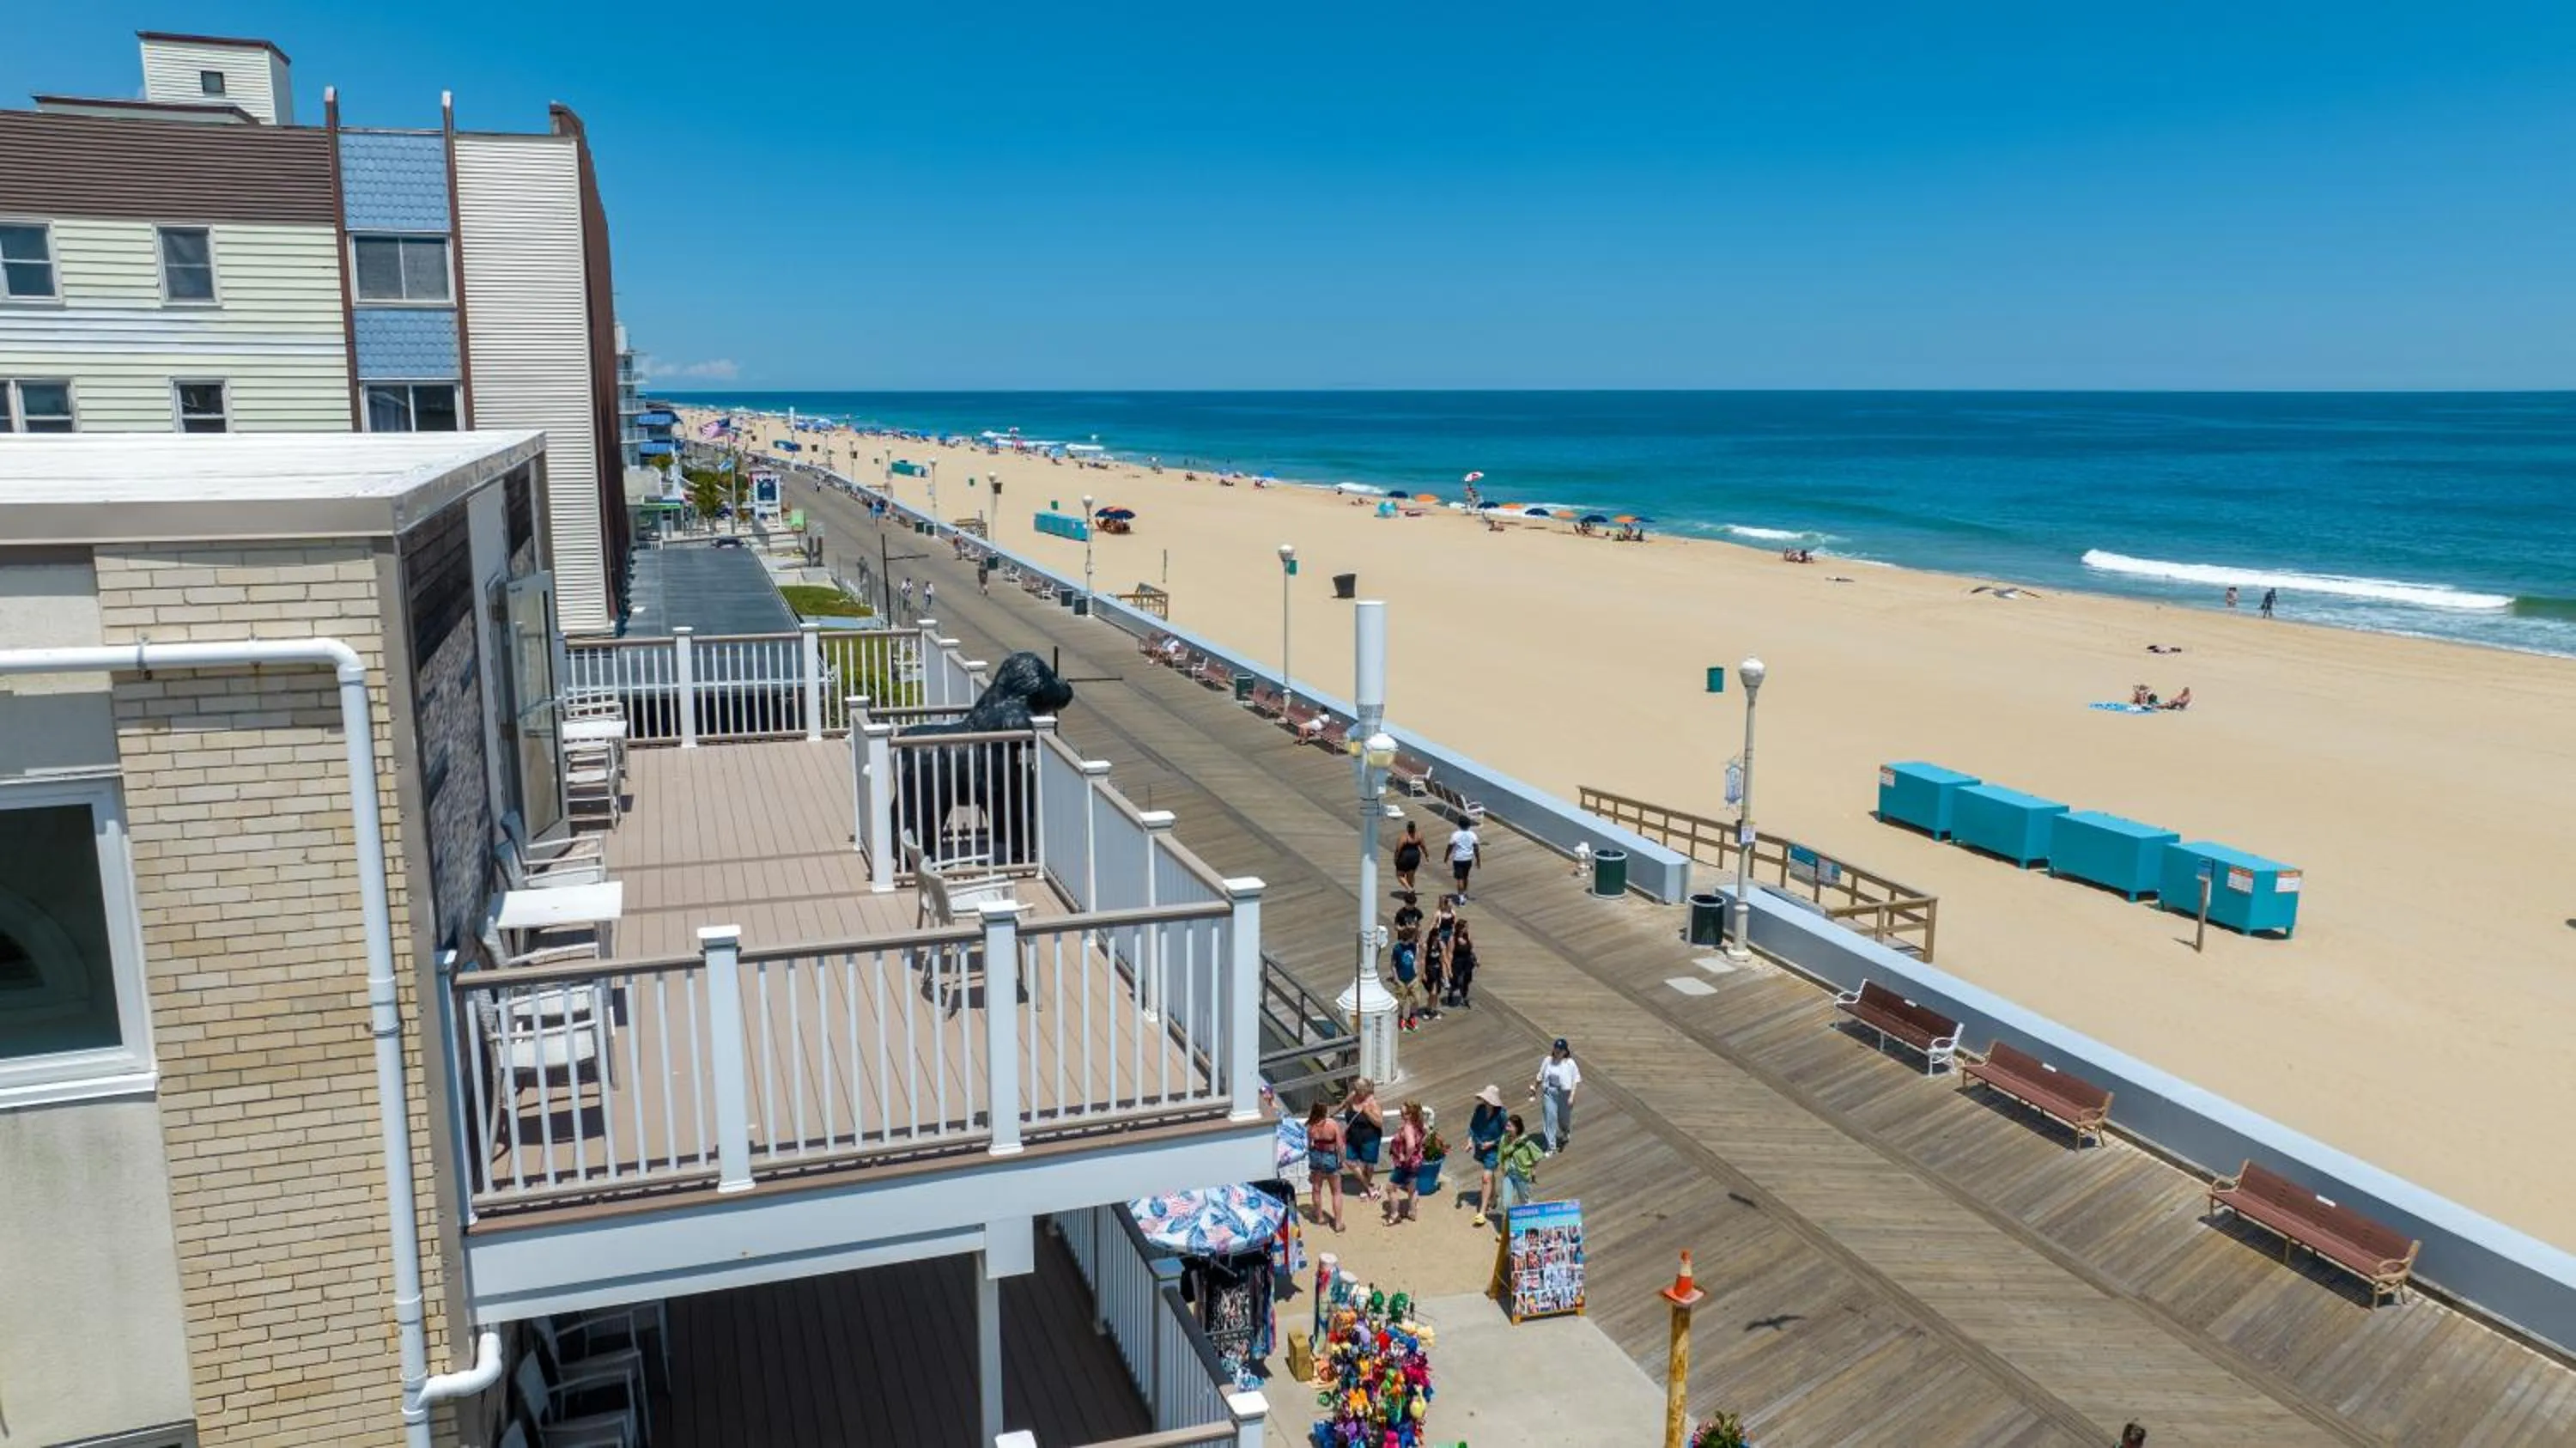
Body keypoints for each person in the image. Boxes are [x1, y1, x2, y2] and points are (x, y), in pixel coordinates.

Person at [1530, 1038, 1581, 1154]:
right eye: (1556, 1049)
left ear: (1565, 1051)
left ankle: (1565, 1132)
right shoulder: (1548, 1061)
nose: (1557, 1051)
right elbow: (1540, 1075)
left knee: (1563, 1118)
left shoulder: (1570, 1063)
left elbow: (1575, 1080)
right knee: (1550, 1118)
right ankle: (1551, 1146)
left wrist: (1572, 1096)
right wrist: (1534, 1088)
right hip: (1550, 1092)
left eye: (1560, 1050)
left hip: (1564, 1093)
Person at [1467, 1086, 1507, 1226]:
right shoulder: (1479, 1109)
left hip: (1494, 1149)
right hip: (1480, 1146)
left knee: (1486, 1177)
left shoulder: (1502, 1114)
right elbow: (1472, 1126)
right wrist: (1470, 1141)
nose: (1485, 1101)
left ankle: (1482, 1212)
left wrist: (1493, 1143)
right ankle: (1493, 1197)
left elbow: (1506, 1133)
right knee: (1489, 1175)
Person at [1382, 1101, 1428, 1225]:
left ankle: (1394, 1215)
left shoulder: (1408, 1127)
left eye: (1404, 1113)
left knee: (1390, 1188)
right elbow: (1424, 1137)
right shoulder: (1420, 1125)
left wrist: (1406, 1157)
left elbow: (1411, 1145)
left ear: (1411, 1114)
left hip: (1405, 1165)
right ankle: (1412, 1213)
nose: (1401, 1115)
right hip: (1416, 1162)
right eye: (1400, 1112)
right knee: (1412, 1189)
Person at [1304, 1102, 1346, 1232]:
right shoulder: (1332, 1124)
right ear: (1325, 1111)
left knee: (1316, 1189)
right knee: (1336, 1192)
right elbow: (1340, 1146)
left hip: (1316, 1158)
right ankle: (1338, 1223)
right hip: (1330, 1158)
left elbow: (1309, 1145)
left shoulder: (1311, 1126)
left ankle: (1320, 1217)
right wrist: (1341, 1161)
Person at [1494, 1113, 1544, 1224]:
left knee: (1524, 1202)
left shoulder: (1526, 1141)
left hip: (1522, 1175)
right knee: (1506, 1204)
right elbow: (1501, 1154)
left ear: (1517, 1128)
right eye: (1506, 1126)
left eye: (1509, 1126)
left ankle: (1535, 1218)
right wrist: (1501, 1166)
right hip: (1509, 1175)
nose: (1506, 1128)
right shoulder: (1504, 1139)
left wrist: (1533, 1171)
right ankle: (1505, 1231)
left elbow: (1538, 1156)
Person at [1341, 1079, 1385, 1200]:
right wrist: (1330, 1115)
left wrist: (1367, 1112)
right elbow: (1343, 1105)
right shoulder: (1353, 1096)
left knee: (1368, 1166)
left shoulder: (1373, 1103)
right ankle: (1369, 1187)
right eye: (1354, 1088)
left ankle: (1367, 1189)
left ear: (1364, 1090)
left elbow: (1379, 1122)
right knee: (1350, 1161)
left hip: (1370, 1139)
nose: (1354, 1091)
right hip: (1353, 1137)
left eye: (1357, 1089)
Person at [1389, 934, 1423, 1032]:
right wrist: (1396, 978)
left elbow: (1415, 959)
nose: (1414, 939)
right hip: (1401, 980)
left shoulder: (1413, 946)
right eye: (1412, 937)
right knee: (1401, 1002)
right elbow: (1393, 965)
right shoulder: (1397, 948)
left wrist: (1416, 971)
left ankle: (1411, 1018)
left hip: (1413, 979)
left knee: (1416, 999)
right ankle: (1401, 1018)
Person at [1447, 920, 1480, 1008]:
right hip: (1458, 961)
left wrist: (1476, 959)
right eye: (1465, 927)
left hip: (1467, 961)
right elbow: (1450, 953)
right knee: (1458, 981)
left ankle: (1464, 997)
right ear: (1460, 928)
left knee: (1467, 980)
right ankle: (1451, 992)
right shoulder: (1453, 938)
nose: (1467, 928)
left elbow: (1471, 949)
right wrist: (1449, 967)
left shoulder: (1467, 936)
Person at [1449, 820, 1482, 899]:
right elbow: (1476, 848)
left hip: (1458, 859)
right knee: (1465, 876)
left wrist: (1447, 856)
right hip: (1468, 859)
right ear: (1469, 825)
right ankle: (1464, 893)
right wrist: (1478, 860)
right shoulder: (1473, 835)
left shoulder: (1456, 834)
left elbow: (1450, 846)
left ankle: (1461, 898)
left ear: (1459, 824)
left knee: (1460, 878)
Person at [1392, 821, 1425, 892]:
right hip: (1415, 857)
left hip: (1405, 857)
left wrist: (1396, 858)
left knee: (1400, 875)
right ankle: (1411, 892)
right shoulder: (1419, 836)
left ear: (1407, 828)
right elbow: (1423, 847)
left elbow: (1398, 849)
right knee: (1411, 876)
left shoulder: (1404, 837)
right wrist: (1427, 855)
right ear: (1415, 828)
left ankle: (1409, 889)